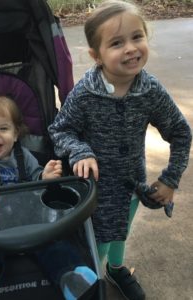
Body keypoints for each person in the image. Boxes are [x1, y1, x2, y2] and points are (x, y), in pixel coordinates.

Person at [48, 1, 192, 300]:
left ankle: (115, 268)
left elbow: (181, 132)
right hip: (93, 188)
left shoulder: (149, 90)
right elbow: (60, 129)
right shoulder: (86, 93)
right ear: (96, 56)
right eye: (116, 43)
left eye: (136, 37)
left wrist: (170, 178)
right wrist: (80, 151)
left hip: (130, 182)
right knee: (97, 241)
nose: (130, 48)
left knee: (121, 229)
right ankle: (92, 280)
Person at [0, 94, 97, 300]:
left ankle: (69, 277)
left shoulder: (23, 156)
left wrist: (45, 177)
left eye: (3, 128)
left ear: (16, 134)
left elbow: (36, 180)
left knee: (55, 246)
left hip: (32, 221)